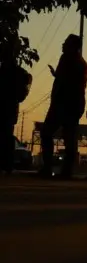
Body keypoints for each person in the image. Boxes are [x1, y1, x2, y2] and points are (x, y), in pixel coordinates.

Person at [38, 35, 87, 179]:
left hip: (66, 104)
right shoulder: (73, 61)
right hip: (67, 104)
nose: (63, 45)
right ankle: (63, 170)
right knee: (67, 136)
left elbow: (68, 83)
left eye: (66, 43)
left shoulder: (73, 61)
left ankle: (52, 168)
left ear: (73, 46)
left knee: (55, 134)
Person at [0, 43, 33, 175]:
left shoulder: (13, 72)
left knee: (7, 136)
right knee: (7, 136)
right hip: (10, 108)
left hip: (8, 107)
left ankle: (6, 165)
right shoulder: (17, 72)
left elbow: (26, 82)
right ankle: (7, 165)